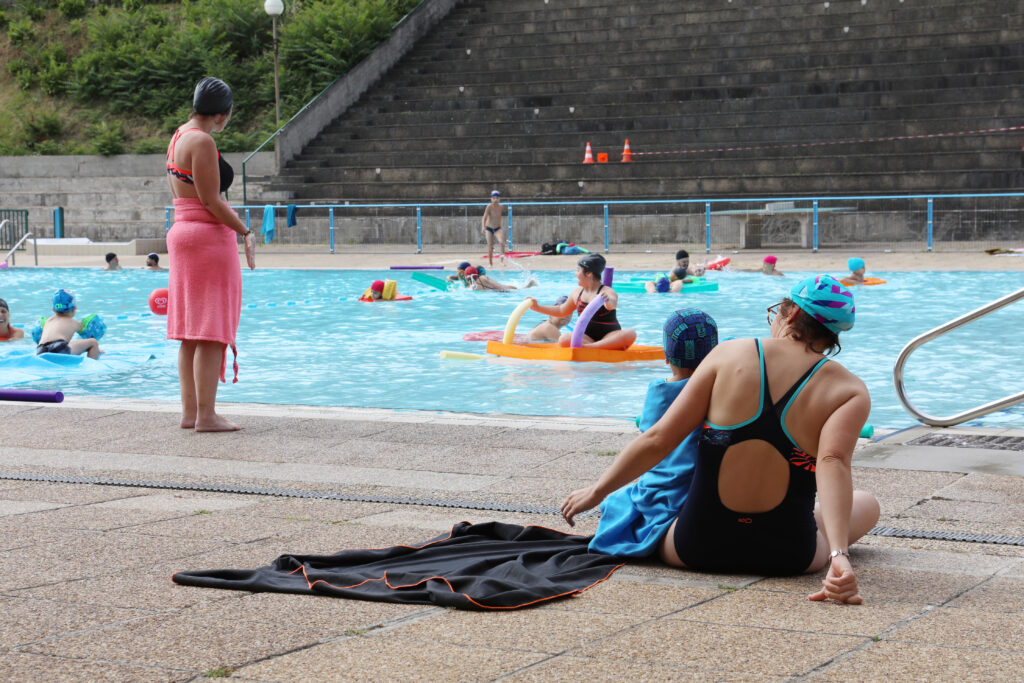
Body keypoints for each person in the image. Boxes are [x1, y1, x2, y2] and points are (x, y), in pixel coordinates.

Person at [562, 275, 879, 604]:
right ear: (834, 333)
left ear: (792, 315)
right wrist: (839, 554)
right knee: (867, 502)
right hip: (790, 556)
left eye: (776, 312)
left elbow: (659, 439)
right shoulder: (849, 390)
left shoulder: (729, 355)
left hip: (694, 547)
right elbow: (833, 463)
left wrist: (596, 491)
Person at [166, 76, 256, 432]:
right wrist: (244, 231)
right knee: (211, 329)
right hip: (205, 237)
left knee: (192, 330)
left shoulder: (179, 135)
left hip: (184, 233)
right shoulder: (202, 141)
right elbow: (210, 200)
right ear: (223, 114)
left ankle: (190, 413)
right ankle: (206, 415)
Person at [589, 308, 718, 556]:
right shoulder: (717, 391)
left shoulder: (659, 392)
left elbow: (651, 432)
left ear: (667, 357)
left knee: (617, 502)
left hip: (664, 490)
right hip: (698, 491)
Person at [528, 254, 637, 350]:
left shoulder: (607, 291)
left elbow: (612, 304)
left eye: (578, 270)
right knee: (564, 339)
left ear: (589, 274)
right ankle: (599, 346)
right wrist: (538, 307)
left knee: (631, 334)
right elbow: (561, 310)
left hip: (609, 336)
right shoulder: (577, 293)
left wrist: (608, 302)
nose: (576, 274)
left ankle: (592, 348)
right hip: (587, 338)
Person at [35, 290, 102, 359]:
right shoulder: (74, 322)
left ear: (53, 309)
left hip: (41, 350)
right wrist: (97, 350)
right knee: (93, 342)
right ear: (74, 308)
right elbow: (87, 335)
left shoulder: (48, 321)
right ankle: (92, 366)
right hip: (59, 348)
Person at [481, 190, 506, 266]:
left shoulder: (501, 207)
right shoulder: (489, 207)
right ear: (491, 199)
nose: (495, 200)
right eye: (494, 198)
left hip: (497, 228)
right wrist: (483, 226)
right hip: (489, 228)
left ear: (499, 199)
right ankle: (490, 263)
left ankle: (501, 261)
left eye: (497, 198)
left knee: (502, 243)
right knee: (490, 247)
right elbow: (484, 218)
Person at [464, 265, 537, 291]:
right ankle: (529, 285)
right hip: (505, 289)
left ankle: (529, 285)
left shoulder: (476, 284)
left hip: (506, 290)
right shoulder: (481, 279)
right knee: (521, 289)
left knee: (522, 290)